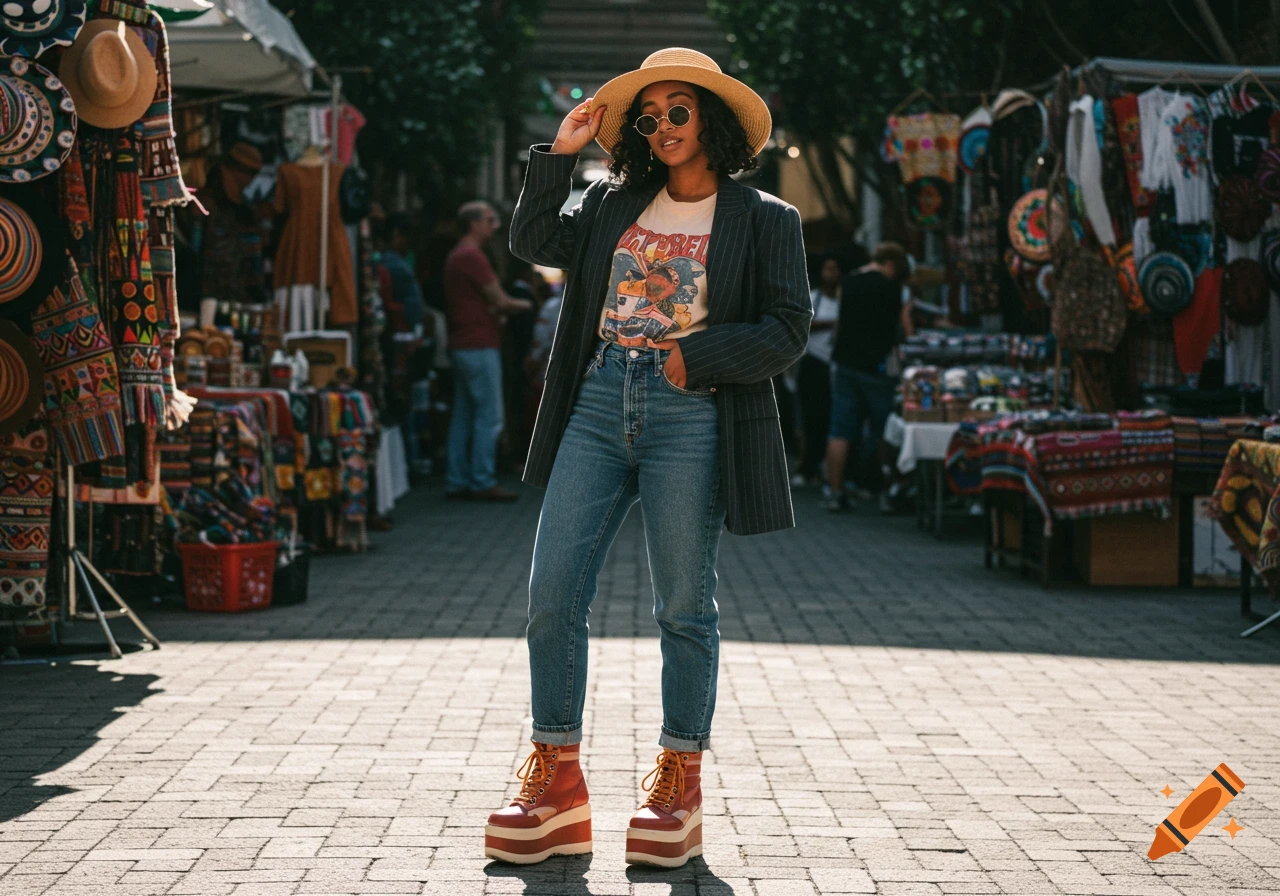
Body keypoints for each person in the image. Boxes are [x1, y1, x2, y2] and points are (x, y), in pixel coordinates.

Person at [485, 48, 811, 869]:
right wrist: (559, 153)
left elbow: (786, 330)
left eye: (678, 111)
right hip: (596, 402)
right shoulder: (609, 200)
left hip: (689, 414)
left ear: (713, 119)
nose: (662, 126)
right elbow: (528, 237)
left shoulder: (766, 218)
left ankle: (678, 780)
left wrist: (695, 360)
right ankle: (555, 779)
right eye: (649, 115)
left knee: (681, 607)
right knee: (553, 592)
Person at [443, 201, 533, 501]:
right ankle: (481, 479)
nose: (494, 226)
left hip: (463, 343)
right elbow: (500, 299)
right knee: (489, 415)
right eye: (489, 220)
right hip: (479, 343)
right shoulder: (471, 256)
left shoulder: (459, 255)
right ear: (474, 223)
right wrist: (526, 303)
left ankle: (458, 479)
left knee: (464, 415)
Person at [824, 242, 909, 512]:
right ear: (892, 265)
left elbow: (839, 324)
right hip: (878, 368)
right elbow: (900, 330)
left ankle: (835, 493)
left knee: (840, 430)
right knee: (885, 430)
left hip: (846, 364)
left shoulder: (848, 283)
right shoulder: (892, 287)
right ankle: (887, 490)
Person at [793, 254, 842, 485]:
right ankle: (807, 465)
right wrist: (832, 324)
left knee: (831, 417)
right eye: (827, 269)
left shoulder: (844, 299)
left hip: (836, 366)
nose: (829, 274)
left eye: (834, 269)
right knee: (810, 418)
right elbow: (801, 323)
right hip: (814, 363)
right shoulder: (814, 298)